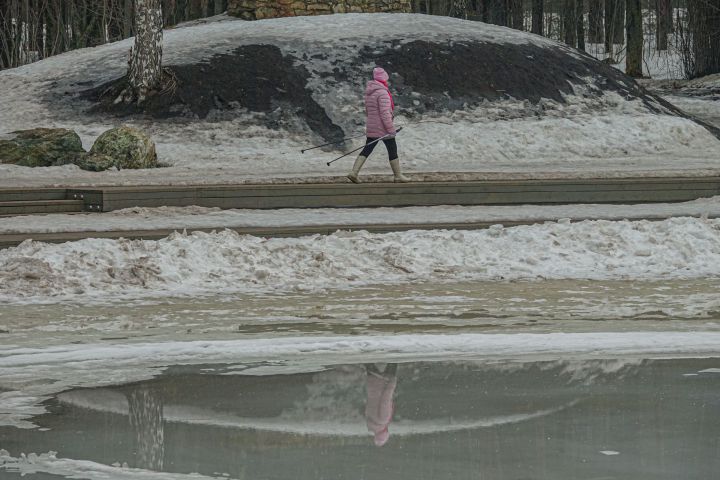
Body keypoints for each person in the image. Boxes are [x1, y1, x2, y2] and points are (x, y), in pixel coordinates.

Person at [347, 67, 409, 184]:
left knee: (367, 149)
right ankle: (398, 176)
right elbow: (385, 113)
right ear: (384, 78)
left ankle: (354, 172)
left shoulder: (370, 93)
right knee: (392, 149)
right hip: (383, 128)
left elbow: (368, 110)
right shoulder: (383, 93)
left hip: (372, 125)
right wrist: (391, 129)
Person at [364, 363, 398, 447]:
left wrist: (391, 384)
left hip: (382, 383)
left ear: (385, 432)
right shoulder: (370, 421)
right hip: (372, 384)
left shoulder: (383, 420)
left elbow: (385, 400)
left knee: (393, 360)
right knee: (367, 360)